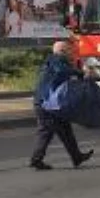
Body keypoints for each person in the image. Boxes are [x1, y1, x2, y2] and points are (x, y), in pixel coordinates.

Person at [30, 40, 93, 170]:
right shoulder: (56, 61)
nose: (71, 52)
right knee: (46, 132)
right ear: (62, 52)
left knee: (65, 130)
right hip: (47, 103)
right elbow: (62, 71)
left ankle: (77, 157)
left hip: (49, 102)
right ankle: (36, 159)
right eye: (69, 50)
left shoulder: (53, 61)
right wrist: (80, 73)